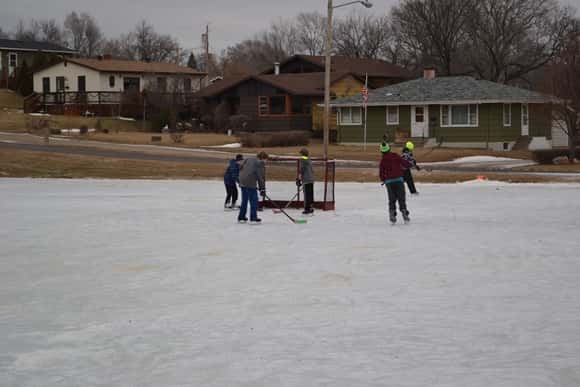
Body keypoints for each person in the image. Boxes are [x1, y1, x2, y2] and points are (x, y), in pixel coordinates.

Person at [379, 142, 412, 224]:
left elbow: (381, 172)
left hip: (389, 182)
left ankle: (392, 214)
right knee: (401, 198)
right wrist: (409, 164)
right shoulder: (395, 155)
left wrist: (383, 180)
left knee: (392, 199)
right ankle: (404, 212)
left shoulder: (383, 160)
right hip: (399, 180)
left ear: (381, 151)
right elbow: (404, 162)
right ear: (389, 148)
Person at [238, 151, 268, 223]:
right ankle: (253, 218)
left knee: (244, 200)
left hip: (242, 180)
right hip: (250, 182)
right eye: (266, 159)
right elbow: (261, 178)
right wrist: (262, 189)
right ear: (263, 158)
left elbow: (240, 167)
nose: (266, 161)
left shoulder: (249, 158)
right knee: (254, 200)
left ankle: (241, 217)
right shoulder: (260, 163)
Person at [296, 148, 314, 215]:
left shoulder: (302, 159)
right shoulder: (309, 159)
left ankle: (307, 209)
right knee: (310, 194)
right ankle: (311, 207)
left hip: (306, 179)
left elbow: (301, 170)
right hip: (311, 179)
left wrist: (298, 179)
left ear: (302, 154)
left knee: (306, 195)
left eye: (300, 153)